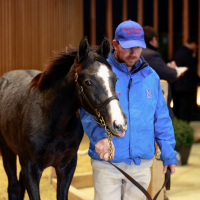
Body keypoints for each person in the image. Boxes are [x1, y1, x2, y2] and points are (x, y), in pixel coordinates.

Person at [80, 20, 177, 200]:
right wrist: (99, 136)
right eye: (128, 47)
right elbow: (87, 113)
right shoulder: (100, 71)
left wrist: (168, 153)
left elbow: (161, 119)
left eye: (138, 47)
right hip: (108, 163)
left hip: (141, 164)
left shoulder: (151, 77)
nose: (134, 53)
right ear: (115, 45)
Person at [141, 26, 184, 119]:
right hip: (154, 107)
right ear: (153, 39)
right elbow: (170, 75)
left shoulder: (137, 53)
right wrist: (173, 68)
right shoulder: (151, 54)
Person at [172, 37, 200, 122]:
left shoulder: (177, 52)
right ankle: (185, 130)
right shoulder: (188, 53)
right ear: (193, 44)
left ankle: (178, 128)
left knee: (178, 109)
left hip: (176, 85)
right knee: (186, 111)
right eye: (196, 48)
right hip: (187, 86)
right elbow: (191, 69)